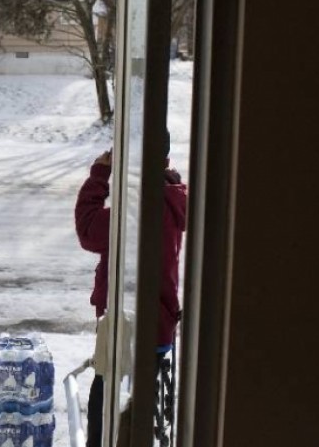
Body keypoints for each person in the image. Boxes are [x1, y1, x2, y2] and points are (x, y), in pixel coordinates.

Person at [74, 130, 187, 447]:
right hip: (160, 324)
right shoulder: (172, 198)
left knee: (104, 408)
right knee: (151, 409)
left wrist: (99, 175)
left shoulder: (137, 210)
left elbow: (88, 229)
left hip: (124, 326)